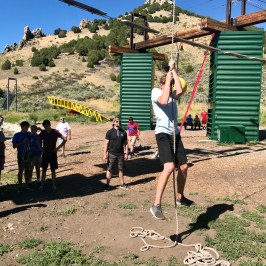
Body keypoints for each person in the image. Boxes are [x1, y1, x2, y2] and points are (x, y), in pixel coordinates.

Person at [150, 60, 193, 220]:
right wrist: (168, 78)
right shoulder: (156, 92)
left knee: (183, 167)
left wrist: (173, 69)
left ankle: (180, 197)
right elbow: (163, 100)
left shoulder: (173, 95)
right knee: (169, 167)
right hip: (162, 134)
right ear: (162, 84)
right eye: (168, 84)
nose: (172, 86)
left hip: (174, 134)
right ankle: (156, 205)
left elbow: (180, 91)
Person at [39, 120, 67, 191]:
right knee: (44, 170)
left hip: (52, 153)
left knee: (53, 170)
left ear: (49, 125)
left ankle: (53, 185)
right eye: (45, 127)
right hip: (45, 153)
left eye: (47, 126)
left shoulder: (55, 131)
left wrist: (57, 148)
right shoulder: (43, 132)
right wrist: (40, 148)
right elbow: (37, 139)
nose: (46, 128)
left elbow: (64, 139)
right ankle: (42, 185)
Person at [103, 116, 129, 191]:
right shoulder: (109, 132)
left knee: (120, 169)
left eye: (119, 121)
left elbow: (126, 143)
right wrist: (104, 154)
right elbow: (106, 143)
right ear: (113, 123)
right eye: (117, 121)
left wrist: (126, 153)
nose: (119, 122)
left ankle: (122, 184)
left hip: (121, 154)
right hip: (112, 153)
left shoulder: (123, 132)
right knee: (109, 169)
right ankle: (107, 185)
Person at [12, 121, 32, 191]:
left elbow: (35, 136)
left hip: (28, 154)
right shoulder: (17, 135)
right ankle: (20, 185)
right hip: (21, 154)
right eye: (26, 126)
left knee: (27, 170)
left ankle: (27, 185)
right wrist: (22, 143)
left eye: (28, 127)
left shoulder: (29, 134)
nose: (27, 128)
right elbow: (14, 146)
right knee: (21, 170)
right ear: (23, 127)